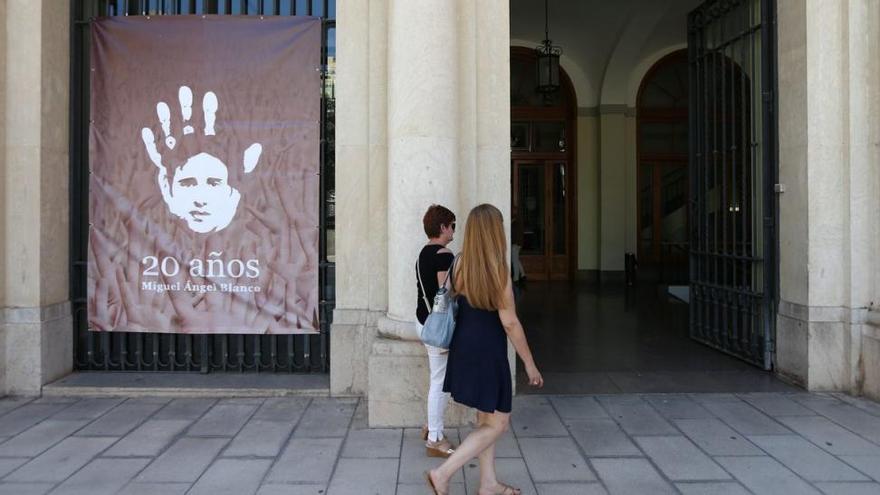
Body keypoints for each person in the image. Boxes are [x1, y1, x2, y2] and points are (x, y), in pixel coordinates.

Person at [426, 204, 544, 495]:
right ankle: (443, 473)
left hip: (464, 346)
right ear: (495, 231)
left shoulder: (460, 262)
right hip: (488, 351)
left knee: (484, 417)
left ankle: (488, 483)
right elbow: (510, 323)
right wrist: (529, 363)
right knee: (499, 423)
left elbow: (449, 296)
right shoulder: (497, 269)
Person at [416, 204, 458, 457]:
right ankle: (434, 438)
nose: (454, 230)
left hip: (423, 321)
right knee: (439, 382)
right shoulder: (444, 254)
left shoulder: (423, 253)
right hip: (438, 327)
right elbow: (447, 293)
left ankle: (430, 426)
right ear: (442, 227)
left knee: (437, 379)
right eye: (452, 225)